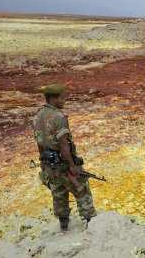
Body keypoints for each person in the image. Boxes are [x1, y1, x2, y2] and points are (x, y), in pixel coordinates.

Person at [32, 84, 96, 231]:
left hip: (49, 167)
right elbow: (63, 143)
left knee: (58, 193)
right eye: (62, 98)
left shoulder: (37, 118)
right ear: (53, 99)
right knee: (82, 190)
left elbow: (39, 142)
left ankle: (63, 224)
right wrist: (72, 166)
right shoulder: (59, 117)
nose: (64, 101)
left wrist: (42, 162)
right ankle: (91, 223)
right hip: (63, 164)